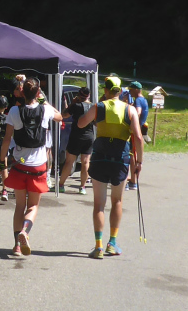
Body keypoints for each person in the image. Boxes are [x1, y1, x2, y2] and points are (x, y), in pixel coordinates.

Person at [76, 76, 144, 259]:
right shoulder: (130, 110)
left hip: (100, 158)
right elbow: (138, 137)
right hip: (120, 160)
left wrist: (96, 110)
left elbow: (81, 123)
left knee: (99, 204)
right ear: (120, 91)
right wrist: (139, 162)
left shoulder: (99, 107)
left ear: (105, 91)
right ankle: (112, 243)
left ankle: (98, 246)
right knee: (117, 201)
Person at [0, 77, 62, 256]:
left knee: (19, 206)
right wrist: (44, 101)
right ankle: (25, 231)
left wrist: (2, 160)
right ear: (38, 92)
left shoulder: (14, 111)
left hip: (19, 164)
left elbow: (7, 138)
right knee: (33, 206)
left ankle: (17, 246)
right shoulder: (45, 109)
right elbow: (59, 116)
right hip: (38, 167)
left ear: (22, 92)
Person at [57, 87, 95, 194]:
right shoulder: (93, 107)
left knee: (69, 162)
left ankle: (61, 185)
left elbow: (64, 115)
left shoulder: (76, 105)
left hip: (76, 136)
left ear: (79, 95)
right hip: (89, 136)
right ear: (89, 96)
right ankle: (82, 187)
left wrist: (72, 103)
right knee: (85, 162)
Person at [125, 81, 148, 191]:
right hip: (140, 128)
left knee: (132, 155)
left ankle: (133, 182)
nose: (129, 92)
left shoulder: (138, 100)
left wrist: (132, 123)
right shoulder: (144, 100)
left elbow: (138, 112)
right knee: (133, 154)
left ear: (136, 90)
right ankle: (133, 180)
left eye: (131, 90)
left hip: (135, 130)